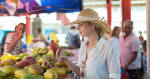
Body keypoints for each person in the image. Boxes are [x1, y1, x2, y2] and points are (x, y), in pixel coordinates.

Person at [56, 8, 120, 79]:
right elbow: (81, 71)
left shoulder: (109, 48)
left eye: (81, 24)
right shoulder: (84, 45)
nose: (78, 28)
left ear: (92, 25)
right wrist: (66, 60)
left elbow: (115, 76)